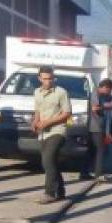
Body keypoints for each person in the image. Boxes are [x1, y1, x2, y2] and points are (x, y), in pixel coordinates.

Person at [32, 66, 71, 204]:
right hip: (43, 133)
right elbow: (37, 110)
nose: (48, 81)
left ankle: (49, 193)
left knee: (47, 160)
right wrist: (35, 122)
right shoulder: (37, 92)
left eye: (50, 78)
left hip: (57, 131)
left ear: (54, 78)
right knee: (51, 162)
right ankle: (60, 191)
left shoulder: (61, 92)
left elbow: (67, 113)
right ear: (39, 79)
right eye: (45, 79)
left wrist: (47, 122)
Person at [80, 78, 112, 183]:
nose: (110, 92)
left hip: (98, 126)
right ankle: (99, 175)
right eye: (109, 90)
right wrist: (106, 106)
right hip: (95, 126)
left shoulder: (106, 96)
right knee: (101, 150)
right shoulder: (95, 94)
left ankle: (84, 173)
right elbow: (94, 108)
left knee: (91, 151)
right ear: (104, 87)